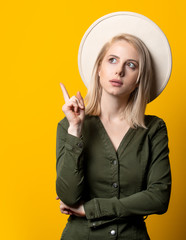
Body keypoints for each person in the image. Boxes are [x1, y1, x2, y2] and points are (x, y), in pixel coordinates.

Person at [55, 12, 172, 240]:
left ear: (139, 78)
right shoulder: (68, 126)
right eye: (112, 60)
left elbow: (159, 197)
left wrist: (92, 209)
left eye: (131, 65)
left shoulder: (154, 129)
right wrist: (75, 132)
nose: (119, 71)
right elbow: (68, 196)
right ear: (99, 68)